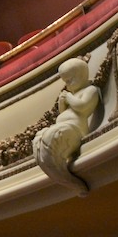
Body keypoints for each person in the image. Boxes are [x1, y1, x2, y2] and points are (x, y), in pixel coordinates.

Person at [32, 57, 100, 196]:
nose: (67, 85)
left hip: (75, 129)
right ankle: (60, 174)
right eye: (66, 82)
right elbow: (64, 113)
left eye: (69, 80)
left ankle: (67, 179)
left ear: (81, 76)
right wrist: (62, 104)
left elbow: (83, 106)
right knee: (39, 138)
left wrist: (69, 98)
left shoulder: (90, 90)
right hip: (66, 127)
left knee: (50, 136)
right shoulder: (73, 94)